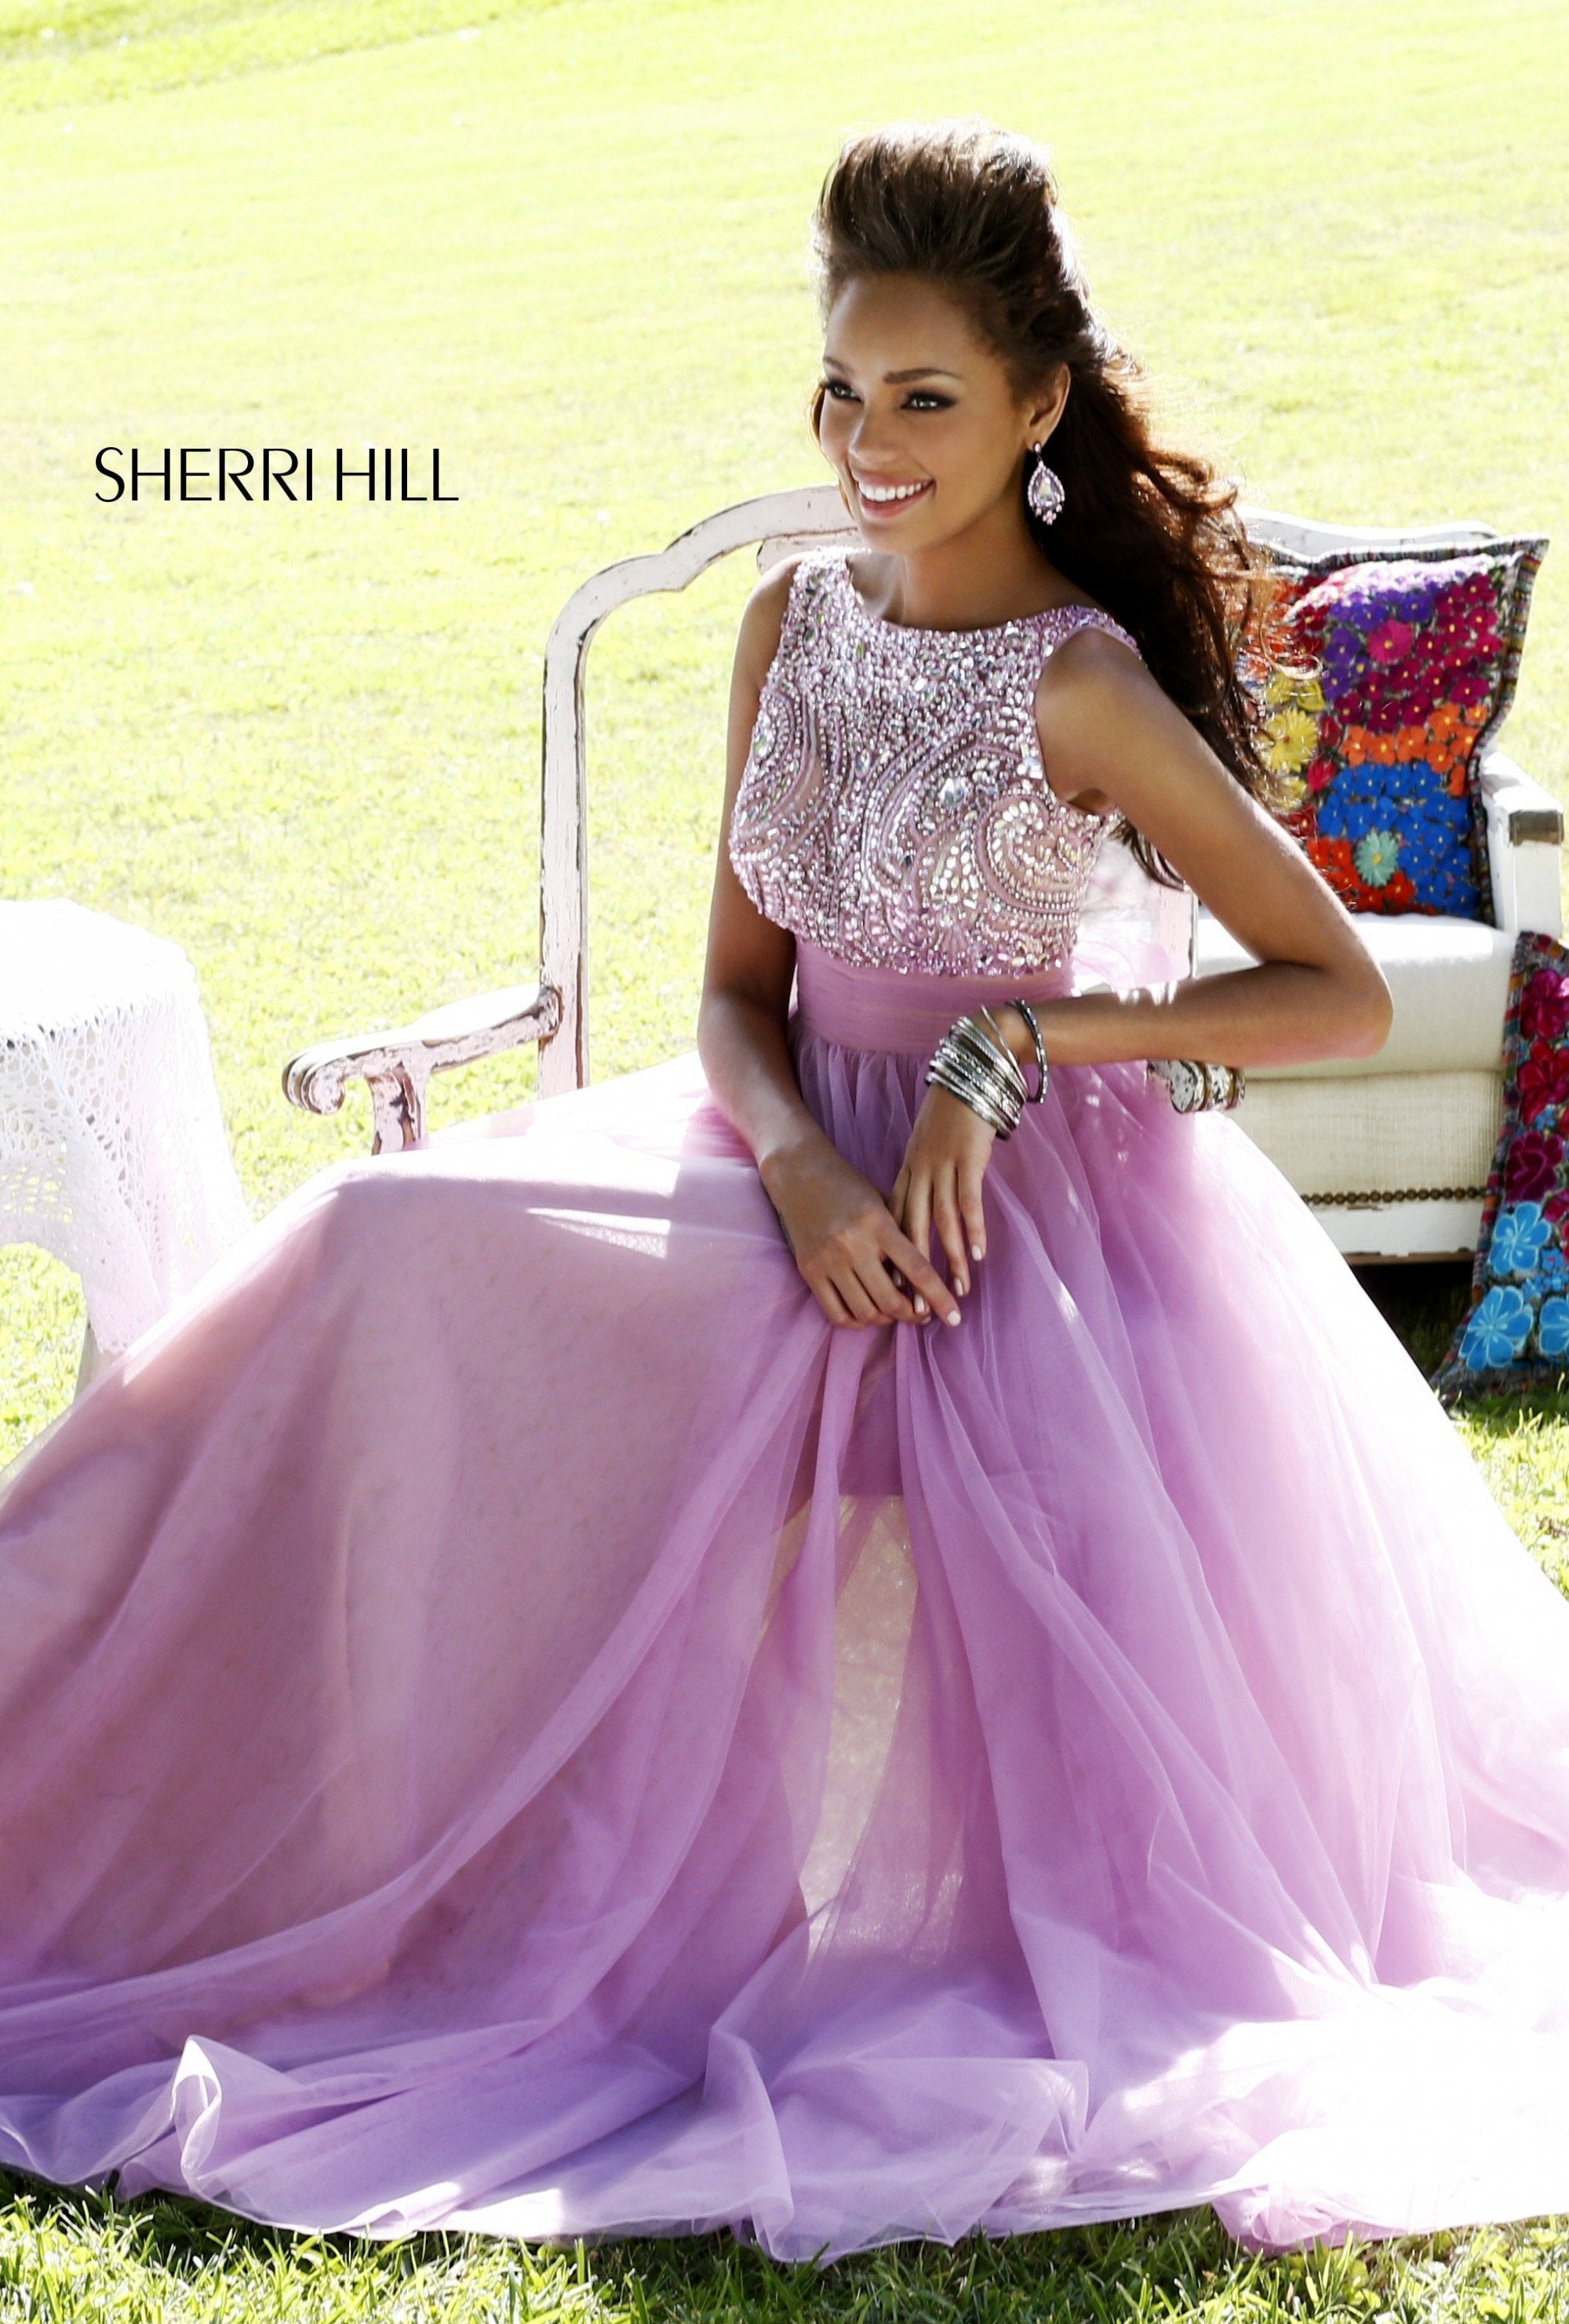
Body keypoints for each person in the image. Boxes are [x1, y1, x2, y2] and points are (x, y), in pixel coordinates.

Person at [2, 119, 1569, 2269]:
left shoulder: (1085, 685)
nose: (867, 446)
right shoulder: (792, 626)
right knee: (373, 1245)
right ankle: (161, 1800)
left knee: (474, 1295)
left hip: (1006, 1239)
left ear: (1037, 405)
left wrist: (1016, 1048)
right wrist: (810, 1162)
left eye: (924, 398)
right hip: (780, 1165)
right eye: (840, 393)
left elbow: (1329, 988)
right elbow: (735, 1001)